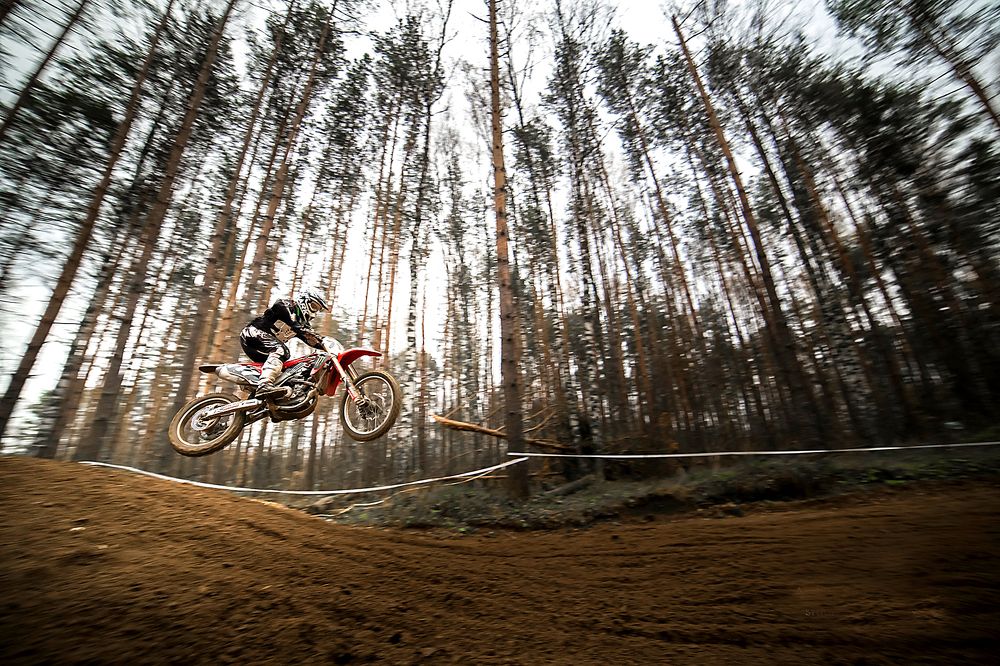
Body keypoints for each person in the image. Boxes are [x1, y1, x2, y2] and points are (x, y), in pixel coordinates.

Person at [240, 289, 330, 400]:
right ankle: (264, 385)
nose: (315, 312)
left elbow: (311, 340)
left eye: (318, 310)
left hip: (264, 348)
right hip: (252, 334)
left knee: (285, 371)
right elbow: (290, 319)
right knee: (282, 351)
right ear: (304, 300)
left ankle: (263, 398)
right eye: (314, 307)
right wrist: (306, 331)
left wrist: (327, 346)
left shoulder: (302, 324)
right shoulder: (285, 305)